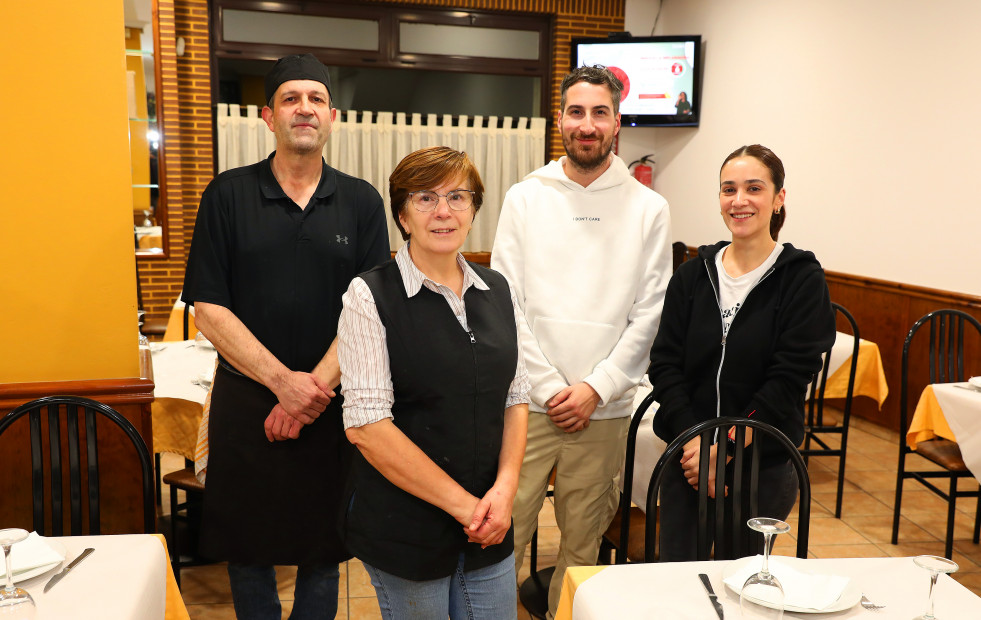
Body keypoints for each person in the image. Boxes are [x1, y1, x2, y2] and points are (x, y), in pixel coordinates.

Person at [181, 53, 390, 619]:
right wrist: (282, 385)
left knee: (324, 548)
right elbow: (208, 306)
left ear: (333, 116)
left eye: (316, 99)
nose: (305, 108)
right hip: (249, 400)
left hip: (330, 402)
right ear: (267, 116)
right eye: (291, 98)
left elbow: (369, 313)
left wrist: (310, 393)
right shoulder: (227, 195)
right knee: (247, 547)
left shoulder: (362, 201)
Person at [492, 65, 673, 617]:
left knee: (583, 541)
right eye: (576, 112)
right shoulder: (527, 197)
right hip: (528, 402)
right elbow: (506, 302)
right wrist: (549, 387)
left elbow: (650, 313)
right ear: (561, 121)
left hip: (607, 406)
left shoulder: (648, 208)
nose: (587, 124)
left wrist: (596, 386)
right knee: (505, 535)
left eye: (600, 112)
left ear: (616, 122)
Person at [338, 146, 530, 619]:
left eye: (458, 197)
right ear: (402, 215)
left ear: (473, 211)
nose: (443, 211)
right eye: (425, 198)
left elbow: (516, 396)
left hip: (490, 521)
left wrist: (504, 491)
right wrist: (467, 509)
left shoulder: (498, 290)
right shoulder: (369, 295)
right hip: (408, 528)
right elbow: (367, 426)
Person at [648, 144, 836, 561]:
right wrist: (697, 443)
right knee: (676, 585)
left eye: (754, 188)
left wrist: (727, 447)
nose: (740, 200)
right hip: (688, 464)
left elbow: (788, 378)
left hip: (761, 468)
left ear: (778, 198)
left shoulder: (801, 279)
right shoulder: (692, 275)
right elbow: (664, 364)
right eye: (728, 189)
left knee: (745, 589)